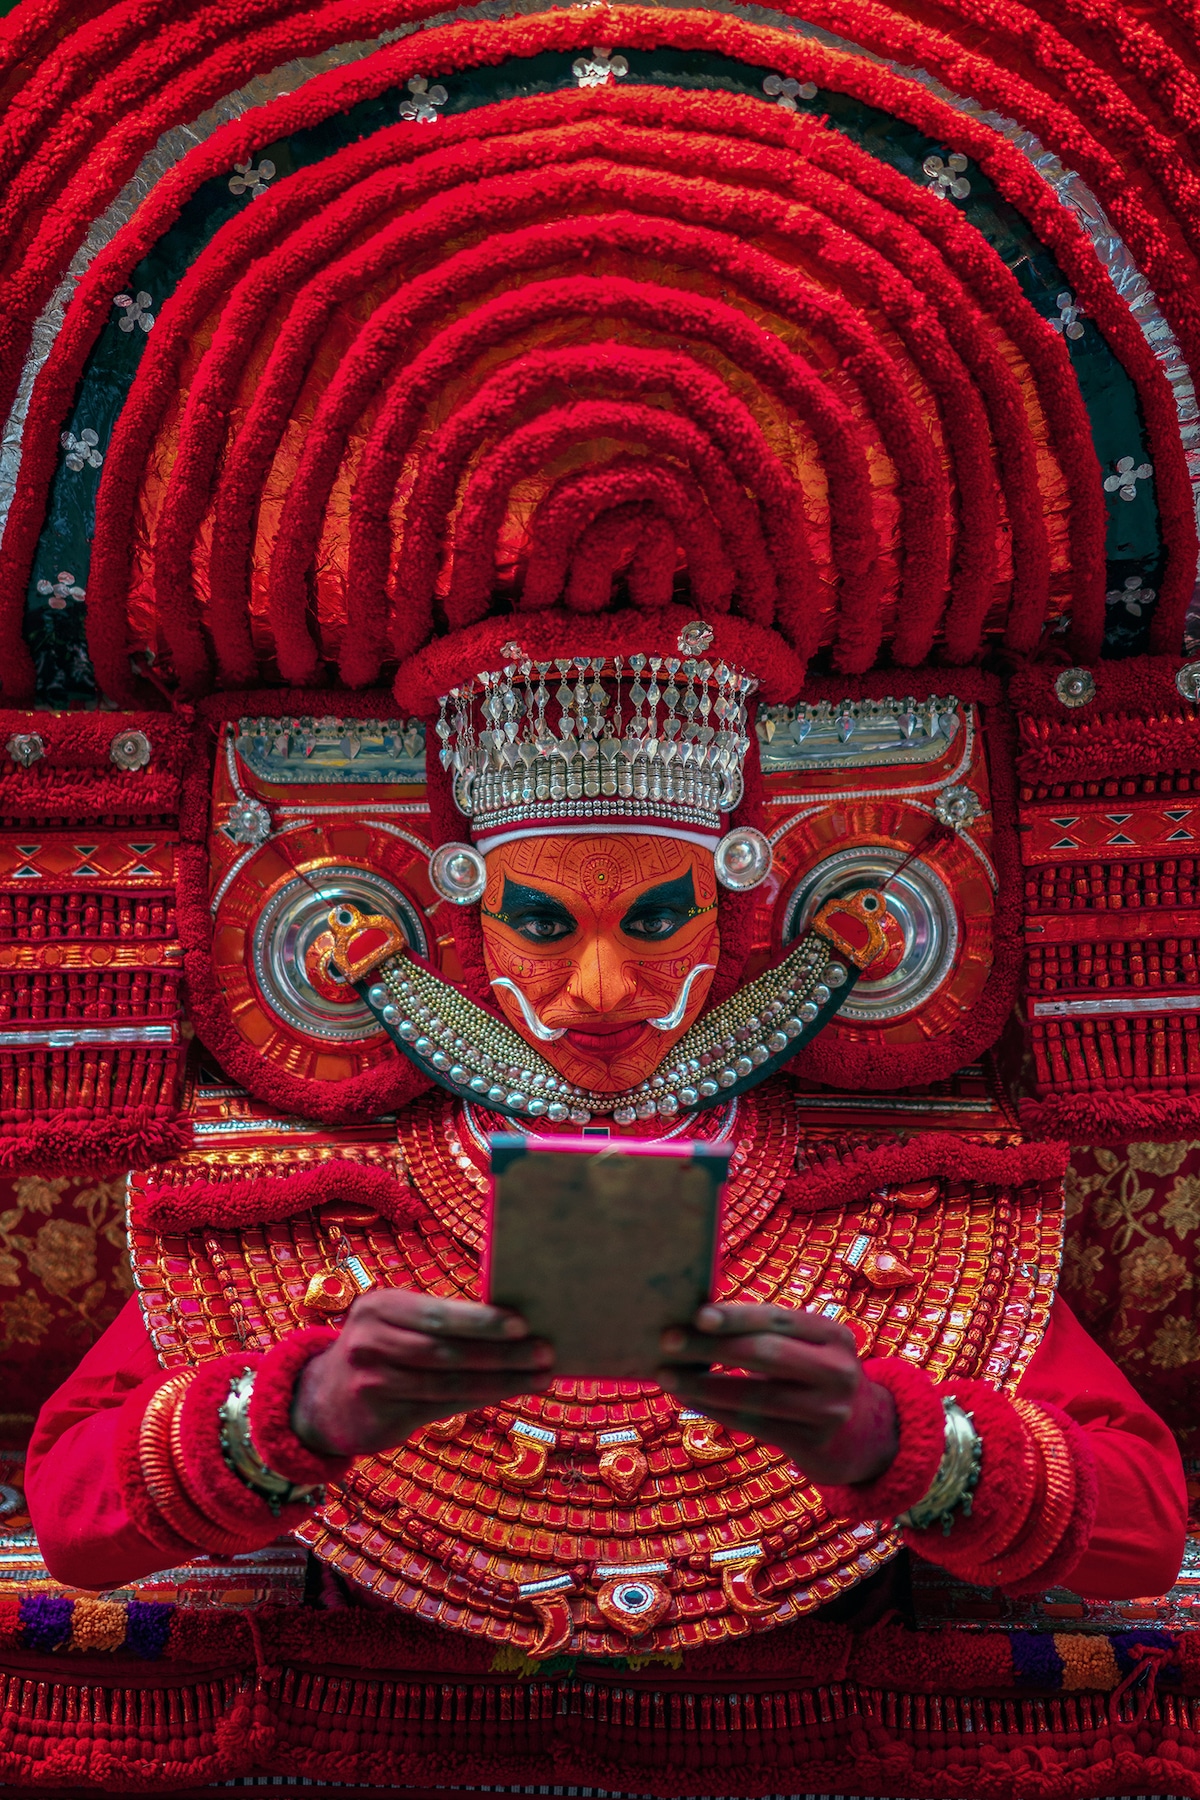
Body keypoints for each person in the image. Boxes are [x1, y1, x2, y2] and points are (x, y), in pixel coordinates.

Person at [26, 613, 1187, 1651]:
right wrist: (300, 1412)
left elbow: (1142, 1529)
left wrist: (901, 1442)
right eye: (540, 921)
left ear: (731, 907)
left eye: (656, 919)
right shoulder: (316, 1190)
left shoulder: (894, 1180)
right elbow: (75, 1515)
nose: (600, 990)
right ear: (466, 921)